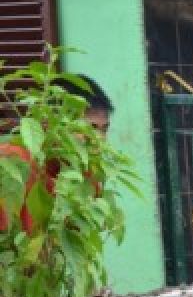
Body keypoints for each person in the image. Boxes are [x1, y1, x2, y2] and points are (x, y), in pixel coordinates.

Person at [0, 74, 112, 235]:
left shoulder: (84, 176)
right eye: (90, 128)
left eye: (104, 129)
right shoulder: (13, 163)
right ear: (49, 122)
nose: (99, 140)